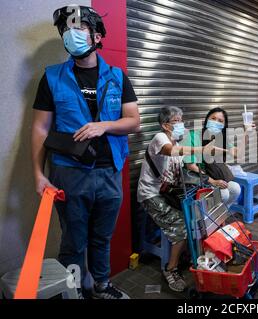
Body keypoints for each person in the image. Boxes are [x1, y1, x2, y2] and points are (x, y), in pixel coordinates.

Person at [31, 6, 140, 299]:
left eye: (78, 30)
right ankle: (74, 291)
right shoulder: (52, 77)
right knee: (74, 241)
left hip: (109, 172)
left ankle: (102, 286)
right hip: (69, 173)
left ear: (97, 35)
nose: (71, 35)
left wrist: (102, 126)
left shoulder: (118, 77)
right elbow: (41, 128)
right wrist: (39, 174)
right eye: (67, 30)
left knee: (102, 237)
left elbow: (134, 121)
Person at [137, 106, 217, 292]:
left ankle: (189, 254)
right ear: (166, 125)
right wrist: (200, 148)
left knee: (197, 215)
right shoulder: (161, 139)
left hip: (168, 193)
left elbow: (182, 171)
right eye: (177, 121)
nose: (181, 124)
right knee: (181, 226)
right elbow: (171, 151)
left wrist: (208, 181)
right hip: (151, 195)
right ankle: (170, 269)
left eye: (182, 119)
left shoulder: (177, 140)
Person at [183, 107, 242, 206]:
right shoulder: (193, 136)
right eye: (213, 119)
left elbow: (237, 154)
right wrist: (213, 181)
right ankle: (208, 219)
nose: (215, 122)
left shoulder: (221, 138)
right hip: (196, 178)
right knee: (223, 194)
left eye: (220, 121)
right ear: (207, 120)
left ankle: (220, 217)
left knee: (235, 189)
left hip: (213, 175)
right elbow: (191, 166)